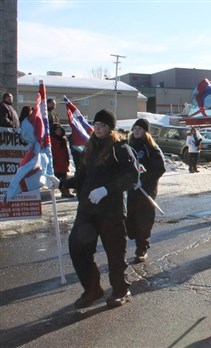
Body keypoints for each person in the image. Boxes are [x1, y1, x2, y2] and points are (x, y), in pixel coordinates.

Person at [65, 109, 139, 309]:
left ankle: (120, 290)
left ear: (110, 128)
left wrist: (106, 190)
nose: (98, 128)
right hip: (87, 210)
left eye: (103, 125)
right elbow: (82, 178)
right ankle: (92, 289)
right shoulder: (89, 148)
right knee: (77, 247)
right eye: (96, 124)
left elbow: (132, 177)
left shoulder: (120, 149)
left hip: (111, 211)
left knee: (115, 253)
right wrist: (61, 183)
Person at [126, 119, 166, 263]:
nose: (136, 131)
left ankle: (142, 246)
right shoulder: (128, 147)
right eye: (135, 128)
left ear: (145, 131)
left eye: (140, 129)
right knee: (131, 218)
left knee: (144, 219)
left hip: (146, 190)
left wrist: (143, 180)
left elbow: (160, 168)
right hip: (132, 189)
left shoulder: (151, 148)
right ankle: (137, 239)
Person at [50, 123, 74, 198]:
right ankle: (63, 190)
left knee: (64, 178)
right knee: (57, 178)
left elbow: (66, 151)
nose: (59, 132)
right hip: (56, 163)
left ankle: (66, 191)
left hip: (63, 162)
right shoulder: (51, 139)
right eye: (57, 130)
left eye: (59, 130)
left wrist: (67, 159)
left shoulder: (63, 140)